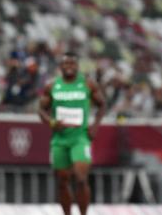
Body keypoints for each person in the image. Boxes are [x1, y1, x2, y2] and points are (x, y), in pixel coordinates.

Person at [38, 52, 106, 215]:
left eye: (72, 64)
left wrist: (95, 126)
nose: (69, 67)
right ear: (60, 67)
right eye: (65, 64)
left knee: (81, 179)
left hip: (80, 138)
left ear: (77, 66)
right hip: (59, 139)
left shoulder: (88, 84)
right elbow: (41, 110)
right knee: (62, 181)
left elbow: (102, 105)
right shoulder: (52, 86)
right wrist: (52, 123)